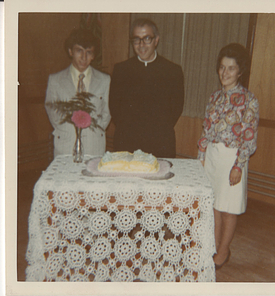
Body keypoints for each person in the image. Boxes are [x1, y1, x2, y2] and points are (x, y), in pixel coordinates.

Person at [197, 43, 259, 269]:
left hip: (232, 159)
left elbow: (249, 138)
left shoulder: (249, 101)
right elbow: (206, 130)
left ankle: (223, 251)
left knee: (228, 209)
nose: (225, 73)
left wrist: (238, 166)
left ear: (240, 71)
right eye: (222, 68)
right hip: (212, 157)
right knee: (214, 206)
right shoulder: (214, 97)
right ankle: (213, 247)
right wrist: (201, 157)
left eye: (231, 68)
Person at [109, 18, 184, 158]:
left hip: (160, 143)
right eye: (136, 39)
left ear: (156, 40)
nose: (141, 44)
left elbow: (176, 108)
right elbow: (114, 108)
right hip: (127, 142)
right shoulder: (121, 70)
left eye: (147, 38)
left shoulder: (172, 71)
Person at [45, 28, 111, 157]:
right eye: (79, 51)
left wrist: (93, 128)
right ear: (70, 51)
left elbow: (107, 112)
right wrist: (69, 128)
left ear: (93, 55)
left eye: (89, 52)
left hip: (95, 145)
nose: (84, 57)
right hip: (65, 144)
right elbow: (52, 111)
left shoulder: (104, 80)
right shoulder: (55, 80)